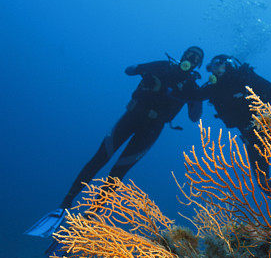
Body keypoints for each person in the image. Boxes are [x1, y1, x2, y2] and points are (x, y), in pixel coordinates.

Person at [26, 46, 204, 237]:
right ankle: (64, 205)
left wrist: (197, 97)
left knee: (118, 172)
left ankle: (89, 217)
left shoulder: (191, 86)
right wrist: (144, 72)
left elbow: (195, 117)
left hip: (151, 131)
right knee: (99, 158)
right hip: (131, 117)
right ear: (183, 55)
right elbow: (129, 69)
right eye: (189, 54)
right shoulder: (163, 66)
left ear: (198, 65)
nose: (191, 59)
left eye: (196, 58)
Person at [198, 54, 271, 206]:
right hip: (251, 138)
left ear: (226, 64)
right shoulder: (214, 88)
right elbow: (193, 96)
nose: (215, 70)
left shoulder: (245, 76)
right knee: (262, 181)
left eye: (217, 65)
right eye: (212, 67)